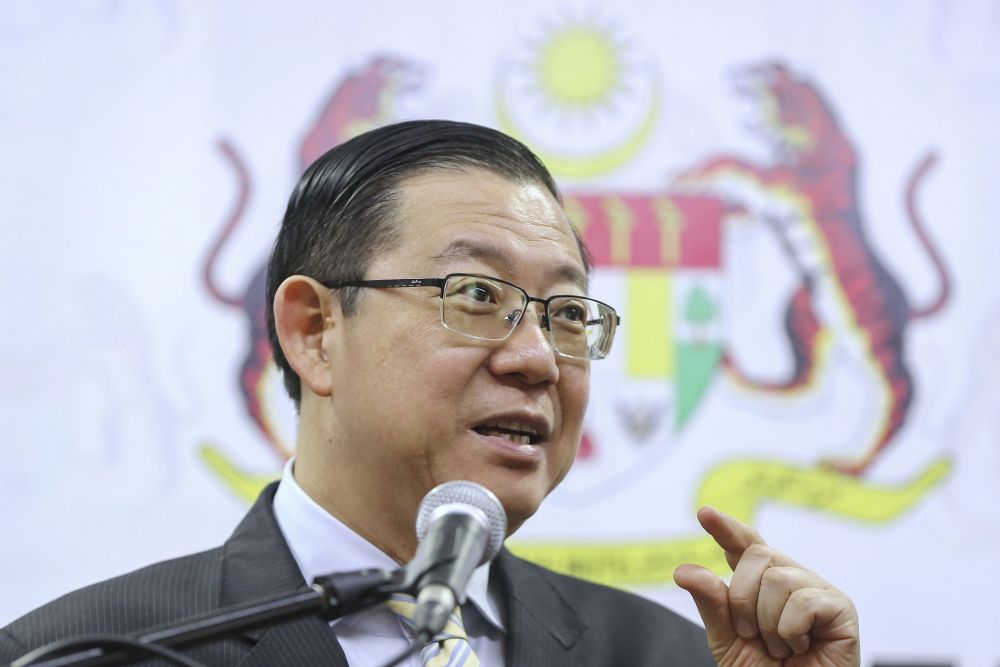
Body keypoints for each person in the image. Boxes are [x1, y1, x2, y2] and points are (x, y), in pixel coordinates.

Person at [0, 120, 859, 666]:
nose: (537, 360)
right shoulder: (95, 651)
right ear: (314, 331)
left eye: (567, 314)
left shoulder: (668, 655)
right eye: (477, 297)